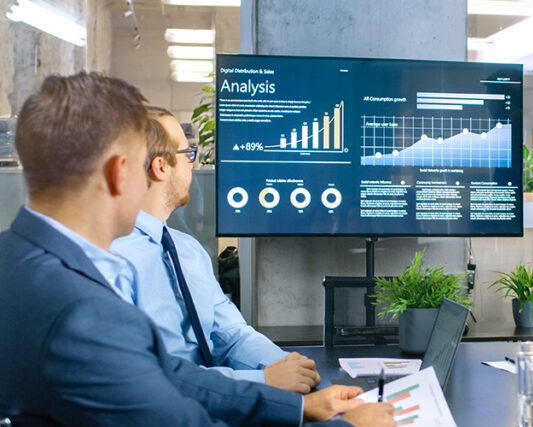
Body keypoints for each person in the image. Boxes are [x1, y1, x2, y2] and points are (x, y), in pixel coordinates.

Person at [0, 72, 394, 426]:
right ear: (119, 172)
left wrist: (295, 409)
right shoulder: (85, 313)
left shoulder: (18, 259)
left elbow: (166, 373)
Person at [110, 106, 319, 394]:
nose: (192, 165)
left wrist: (288, 366)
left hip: (222, 400)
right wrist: (264, 381)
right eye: (187, 155)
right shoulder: (112, 259)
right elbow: (148, 376)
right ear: (160, 167)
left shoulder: (188, 251)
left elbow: (230, 334)